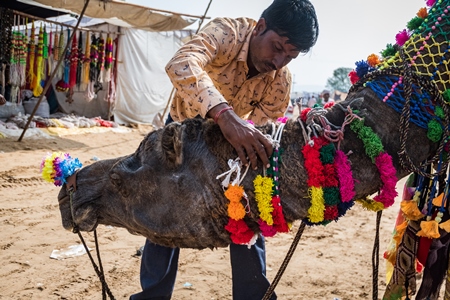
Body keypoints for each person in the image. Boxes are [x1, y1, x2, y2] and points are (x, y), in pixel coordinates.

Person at [130, 0, 319, 299]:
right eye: (277, 46)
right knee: (165, 209)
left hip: (233, 148)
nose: (280, 60)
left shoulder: (281, 81)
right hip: (181, 130)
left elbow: (261, 130)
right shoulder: (227, 32)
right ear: (260, 27)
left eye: (290, 55)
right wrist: (225, 116)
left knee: (248, 209)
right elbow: (181, 63)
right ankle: (153, 295)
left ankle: (252, 295)